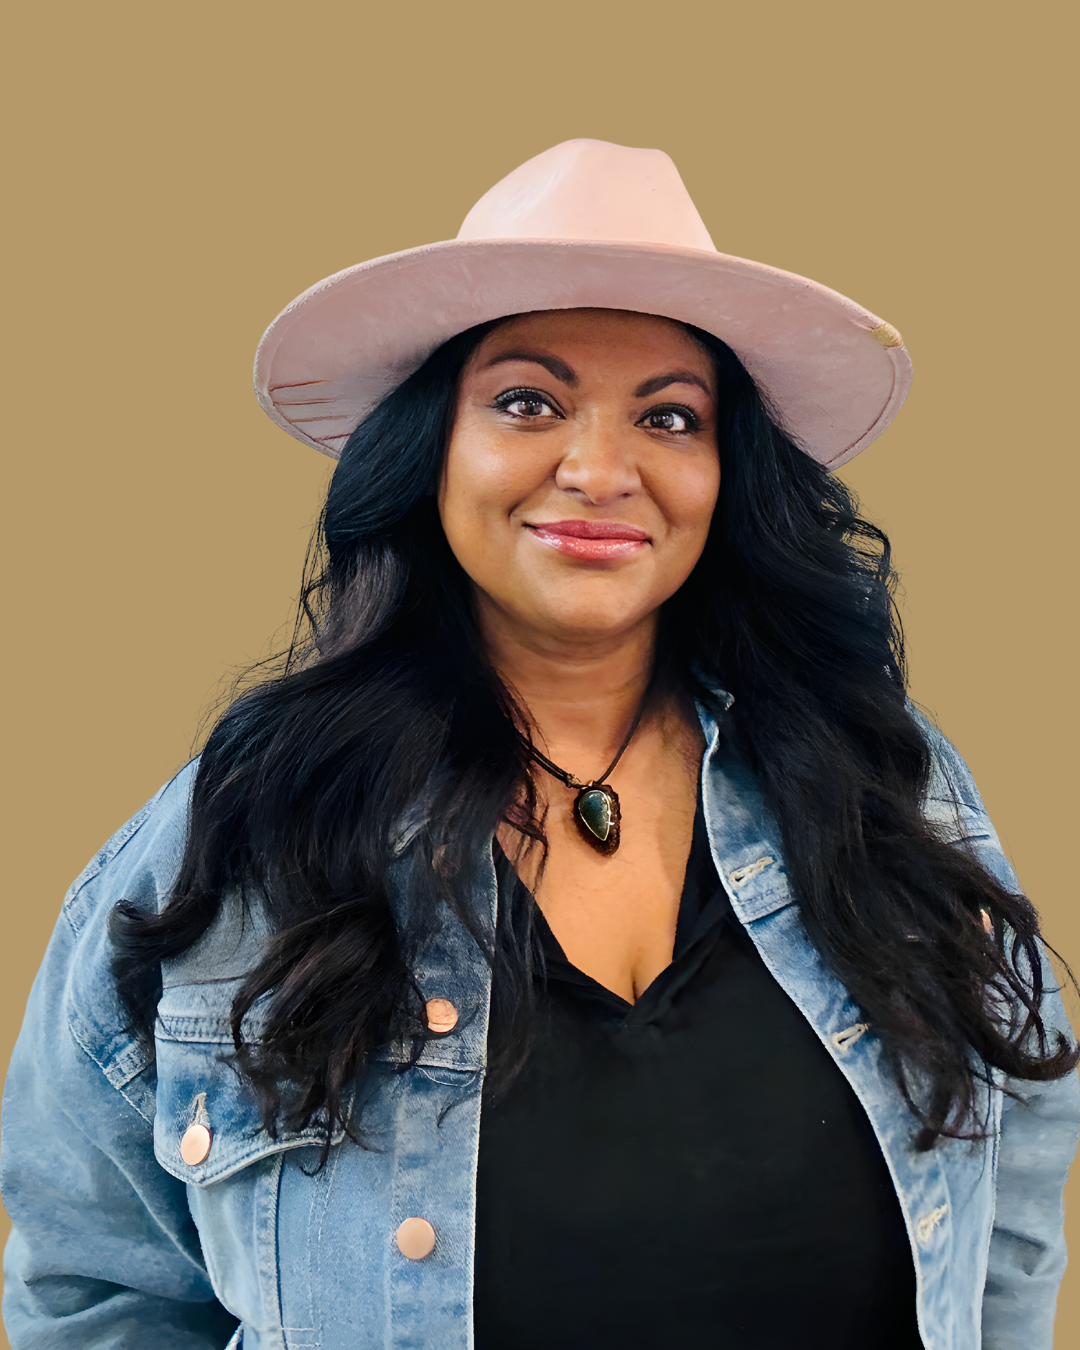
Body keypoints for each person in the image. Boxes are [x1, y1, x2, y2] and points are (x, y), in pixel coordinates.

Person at [2, 139, 1077, 1350]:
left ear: (729, 476)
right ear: (428, 451)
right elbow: (96, 1289)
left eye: (670, 416)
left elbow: (1014, 1188)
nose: (601, 470)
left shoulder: (886, 783)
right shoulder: (245, 831)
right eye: (528, 401)